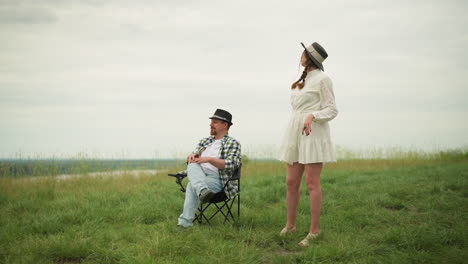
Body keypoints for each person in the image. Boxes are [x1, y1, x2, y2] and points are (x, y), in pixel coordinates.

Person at [277, 42, 338, 246]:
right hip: (295, 132)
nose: (300, 56)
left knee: (312, 183)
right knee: (291, 182)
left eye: (303, 53)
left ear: (309, 57)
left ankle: (314, 231)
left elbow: (332, 110)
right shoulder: (301, 81)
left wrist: (313, 115)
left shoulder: (323, 79)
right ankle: (290, 226)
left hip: (313, 134)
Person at [177, 109, 242, 228]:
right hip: (200, 176)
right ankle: (202, 191)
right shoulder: (205, 141)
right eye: (211, 122)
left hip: (219, 180)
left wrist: (208, 159)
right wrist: (191, 156)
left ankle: (184, 224)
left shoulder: (233, 143)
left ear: (225, 125)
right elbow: (194, 158)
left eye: (215, 122)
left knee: (192, 185)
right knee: (192, 162)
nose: (211, 124)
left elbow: (231, 164)